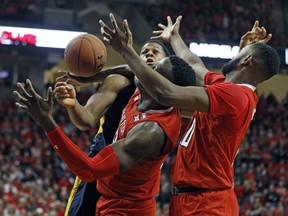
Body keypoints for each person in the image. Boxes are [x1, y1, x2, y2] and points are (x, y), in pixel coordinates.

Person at [99, 13, 280, 215]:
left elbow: (166, 93)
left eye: (241, 53)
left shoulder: (235, 95)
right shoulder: (229, 89)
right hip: (194, 197)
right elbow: (195, 66)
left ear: (246, 60)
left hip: (207, 203)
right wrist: (174, 37)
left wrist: (126, 51)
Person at [13, 54, 196, 215]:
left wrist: (46, 122)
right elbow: (129, 68)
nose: (147, 67)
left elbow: (88, 170)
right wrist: (90, 78)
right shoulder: (146, 91)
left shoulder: (150, 132)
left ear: (162, 89)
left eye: (155, 70)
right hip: (108, 199)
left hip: (127, 209)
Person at [54, 38, 177, 215]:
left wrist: (95, 76)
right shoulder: (119, 81)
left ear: (167, 64)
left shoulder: (172, 95)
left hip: (135, 189)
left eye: (155, 52)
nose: (149, 54)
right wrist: (72, 105)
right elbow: (86, 120)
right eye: (143, 52)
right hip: (99, 168)